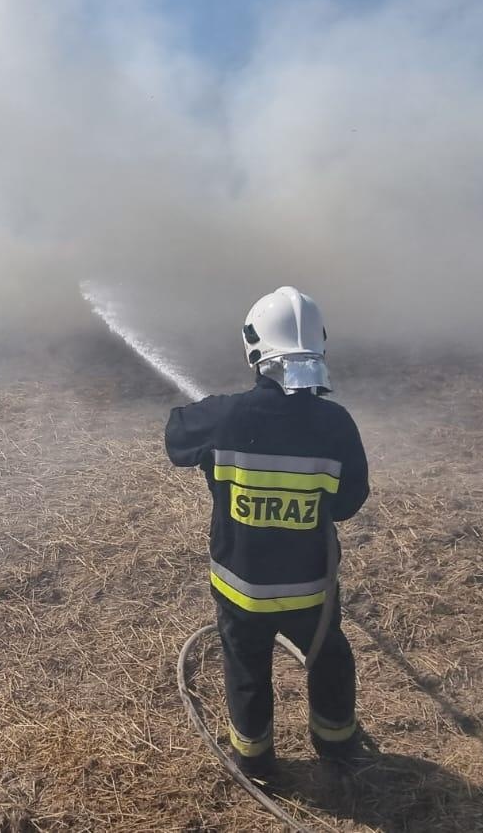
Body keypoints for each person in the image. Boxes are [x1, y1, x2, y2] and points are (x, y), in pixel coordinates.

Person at [165, 286, 372, 780]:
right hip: (310, 589)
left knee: (246, 673)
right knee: (329, 659)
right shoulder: (336, 424)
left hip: (242, 590)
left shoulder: (222, 416)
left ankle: (255, 761)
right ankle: (337, 745)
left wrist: (214, 421)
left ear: (254, 347)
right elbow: (348, 502)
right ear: (318, 348)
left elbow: (176, 439)